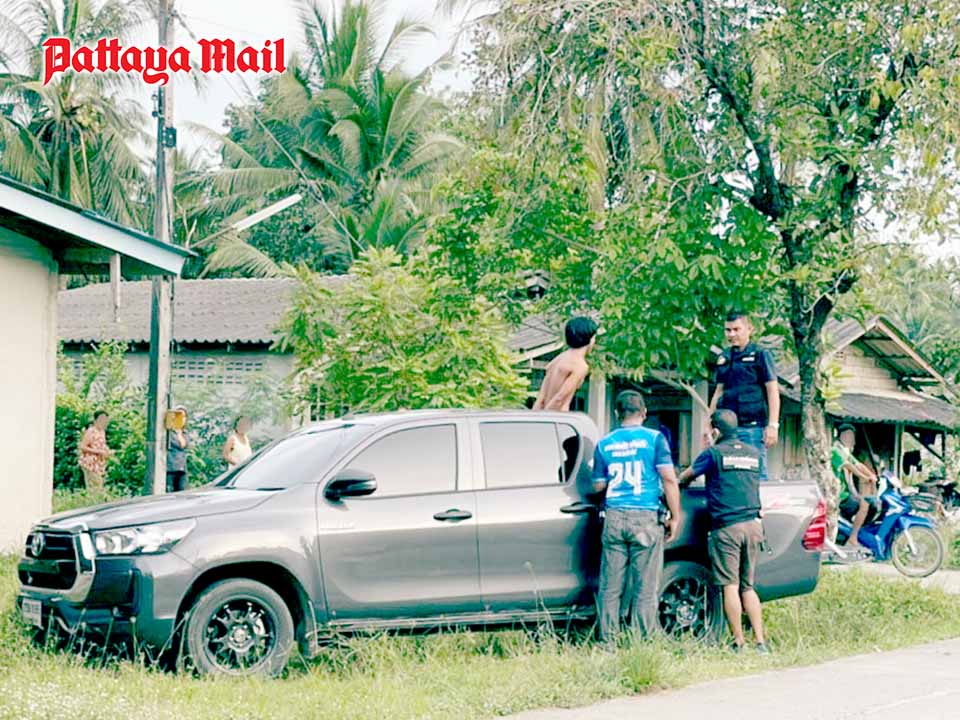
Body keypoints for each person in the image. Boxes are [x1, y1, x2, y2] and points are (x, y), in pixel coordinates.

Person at [592, 390, 682, 643]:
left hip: (614, 516)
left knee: (610, 587)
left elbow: (598, 485)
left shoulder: (604, 443)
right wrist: (675, 516)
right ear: (644, 412)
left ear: (616, 413)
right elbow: (669, 479)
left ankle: (608, 642)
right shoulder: (655, 439)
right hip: (645, 516)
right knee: (645, 587)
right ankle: (641, 642)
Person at [679, 409, 768, 653]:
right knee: (747, 587)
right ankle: (761, 643)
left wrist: (705, 448)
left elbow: (685, 478)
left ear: (716, 431)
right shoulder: (753, 453)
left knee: (730, 585)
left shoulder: (713, 454)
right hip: (753, 525)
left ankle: (738, 642)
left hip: (728, 528)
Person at [709, 310, 780, 481]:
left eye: (736, 329)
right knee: (727, 475)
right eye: (728, 330)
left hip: (752, 428)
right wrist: (708, 424)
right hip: (726, 430)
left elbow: (772, 390)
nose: (732, 334)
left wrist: (773, 425)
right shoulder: (724, 357)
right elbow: (719, 391)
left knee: (756, 475)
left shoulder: (761, 354)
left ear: (749, 329)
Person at [532, 316, 598, 412]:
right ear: (591, 339)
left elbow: (541, 398)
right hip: (558, 415)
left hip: (545, 413)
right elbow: (560, 398)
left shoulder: (557, 359)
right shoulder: (580, 366)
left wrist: (536, 416)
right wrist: (547, 417)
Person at [832, 424, 878, 551]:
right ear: (840, 436)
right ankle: (853, 537)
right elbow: (849, 466)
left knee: (872, 506)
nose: (850, 438)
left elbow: (858, 464)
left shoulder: (845, 451)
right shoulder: (835, 450)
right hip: (837, 494)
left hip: (845, 492)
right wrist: (865, 477)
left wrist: (872, 475)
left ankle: (854, 532)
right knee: (864, 505)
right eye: (847, 435)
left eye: (851, 436)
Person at [78, 410, 113, 493]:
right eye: (101, 419)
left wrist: (107, 451)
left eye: (105, 420)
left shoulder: (102, 431)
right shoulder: (91, 431)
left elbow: (100, 445)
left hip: (98, 465)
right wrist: (98, 452)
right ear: (95, 420)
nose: (103, 422)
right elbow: (82, 446)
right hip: (90, 464)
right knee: (95, 489)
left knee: (98, 487)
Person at [166, 406, 189, 492]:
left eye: (183, 417)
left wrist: (179, 433)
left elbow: (184, 445)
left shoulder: (184, 433)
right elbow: (177, 444)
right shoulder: (168, 432)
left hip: (181, 468)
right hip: (170, 468)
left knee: (181, 492)